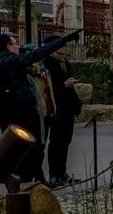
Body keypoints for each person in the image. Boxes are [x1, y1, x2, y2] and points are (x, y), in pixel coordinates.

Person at [0, 28, 80, 183]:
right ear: (8, 46)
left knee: (30, 148)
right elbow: (36, 54)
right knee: (32, 148)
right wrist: (63, 40)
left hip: (17, 113)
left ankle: (34, 180)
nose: (18, 46)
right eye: (14, 43)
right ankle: (24, 182)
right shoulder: (11, 61)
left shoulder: (5, 62)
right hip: (22, 114)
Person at [42, 39, 84, 185]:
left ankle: (62, 172)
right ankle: (54, 174)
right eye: (60, 44)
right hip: (56, 108)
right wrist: (63, 85)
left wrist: (76, 102)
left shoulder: (64, 61)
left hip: (68, 107)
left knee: (65, 141)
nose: (64, 47)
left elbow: (69, 86)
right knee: (56, 142)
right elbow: (48, 87)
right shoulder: (47, 62)